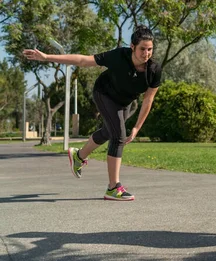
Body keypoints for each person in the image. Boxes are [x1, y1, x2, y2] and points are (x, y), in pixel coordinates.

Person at [23, 25, 162, 201]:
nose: (146, 53)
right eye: (143, 49)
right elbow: (83, 60)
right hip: (104, 93)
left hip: (124, 101)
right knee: (118, 136)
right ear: (132, 47)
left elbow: (148, 99)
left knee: (108, 132)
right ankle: (113, 187)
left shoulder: (154, 70)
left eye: (150, 49)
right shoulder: (118, 56)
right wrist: (46, 57)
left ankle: (78, 155)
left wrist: (137, 127)